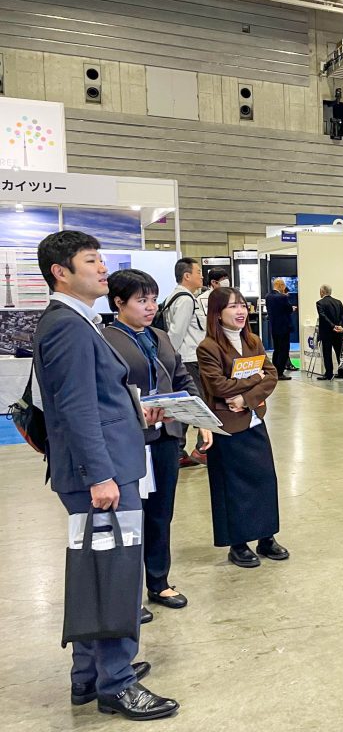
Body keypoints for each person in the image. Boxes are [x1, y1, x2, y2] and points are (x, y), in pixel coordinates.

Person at [33, 231, 179, 720]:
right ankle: (114, 684)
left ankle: (89, 676)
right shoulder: (67, 326)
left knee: (98, 574)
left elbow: (95, 398)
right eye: (91, 261)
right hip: (100, 476)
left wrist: (135, 414)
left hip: (106, 465)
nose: (102, 268)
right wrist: (100, 476)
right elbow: (74, 407)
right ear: (61, 271)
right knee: (115, 576)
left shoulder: (76, 321)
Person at [103, 269, 212, 614]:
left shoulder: (161, 337)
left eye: (152, 299)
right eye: (141, 300)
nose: (150, 307)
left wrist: (199, 420)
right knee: (128, 517)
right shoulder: (105, 339)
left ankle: (159, 582)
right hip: (129, 441)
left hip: (166, 438)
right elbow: (104, 392)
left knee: (161, 513)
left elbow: (182, 378)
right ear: (119, 302)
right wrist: (137, 410)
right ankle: (126, 594)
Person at [197, 287, 289, 568]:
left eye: (242, 305)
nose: (240, 311)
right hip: (227, 426)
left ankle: (266, 536)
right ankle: (238, 543)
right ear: (217, 313)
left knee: (264, 480)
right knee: (233, 487)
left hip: (253, 420)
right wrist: (253, 379)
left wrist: (246, 398)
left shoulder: (253, 341)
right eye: (232, 307)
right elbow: (218, 386)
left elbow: (271, 375)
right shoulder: (208, 348)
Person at [165, 257, 207, 466]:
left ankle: (181, 450)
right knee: (199, 404)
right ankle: (198, 450)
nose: (202, 276)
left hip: (187, 359)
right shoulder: (185, 300)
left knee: (190, 403)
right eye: (198, 272)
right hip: (189, 360)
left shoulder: (180, 297)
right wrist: (170, 359)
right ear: (187, 275)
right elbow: (176, 333)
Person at [264, 279, 294, 381]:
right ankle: (280, 372)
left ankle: (274, 370)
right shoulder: (282, 297)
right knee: (284, 350)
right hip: (284, 327)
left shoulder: (268, 297)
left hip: (274, 327)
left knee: (276, 349)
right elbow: (289, 309)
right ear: (281, 286)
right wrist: (292, 308)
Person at [315, 284, 343, 381]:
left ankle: (329, 373)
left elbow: (323, 316)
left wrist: (332, 326)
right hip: (338, 332)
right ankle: (342, 372)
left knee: (327, 353)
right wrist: (339, 326)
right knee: (339, 353)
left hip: (327, 332)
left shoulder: (320, 303)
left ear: (322, 292)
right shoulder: (338, 302)